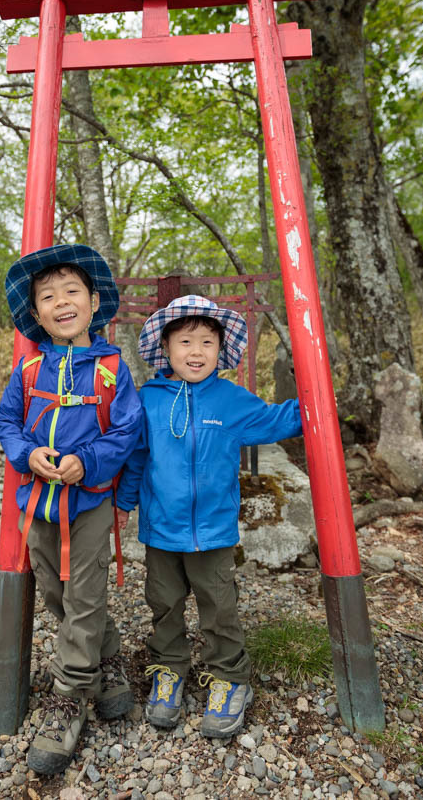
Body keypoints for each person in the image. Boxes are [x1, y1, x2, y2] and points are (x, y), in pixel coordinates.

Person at [116, 294, 301, 739]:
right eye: (184, 342)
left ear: (220, 351)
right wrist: (122, 504)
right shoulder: (150, 400)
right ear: (166, 349)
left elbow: (279, 420)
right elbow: (137, 457)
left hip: (213, 532)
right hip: (161, 530)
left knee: (219, 607)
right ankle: (169, 669)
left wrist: (314, 392)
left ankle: (229, 677)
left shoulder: (230, 400)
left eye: (206, 343)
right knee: (164, 603)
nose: (195, 352)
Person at [0, 244, 142, 776]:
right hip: (38, 504)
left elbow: (127, 431)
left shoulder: (110, 370)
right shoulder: (29, 370)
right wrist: (25, 453)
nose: (61, 302)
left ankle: (68, 699)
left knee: (85, 594)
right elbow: (7, 423)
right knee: (55, 593)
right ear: (36, 314)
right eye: (48, 296)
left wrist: (90, 461)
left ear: (94, 302)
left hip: (90, 503)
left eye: (72, 291)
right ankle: (107, 658)